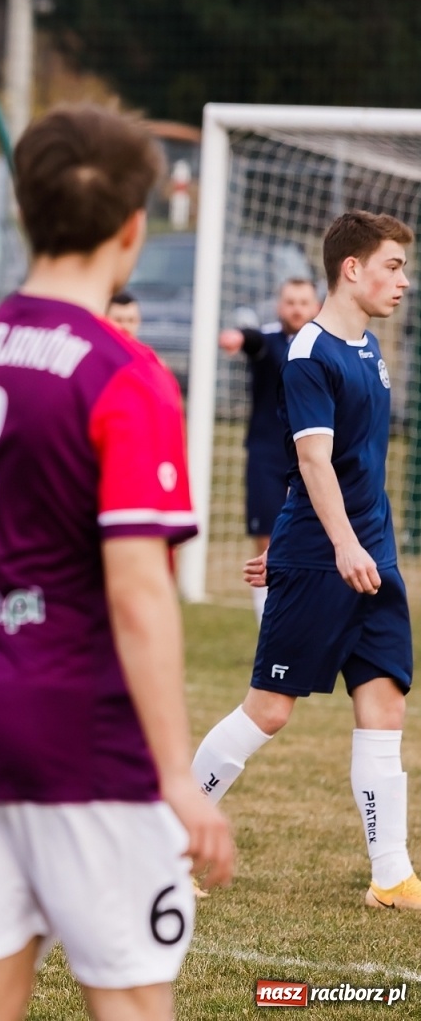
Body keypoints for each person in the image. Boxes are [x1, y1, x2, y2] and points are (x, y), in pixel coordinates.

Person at [0, 106, 234, 1021]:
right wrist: (175, 774)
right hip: (75, 736)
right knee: (130, 998)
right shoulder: (123, 374)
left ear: (26, 213)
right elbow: (138, 593)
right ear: (134, 228)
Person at [193, 210, 421, 912]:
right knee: (270, 710)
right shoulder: (308, 354)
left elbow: (350, 469)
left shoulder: (369, 349)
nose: (404, 282)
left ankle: (391, 875)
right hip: (334, 557)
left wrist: (347, 547)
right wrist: (323, 549)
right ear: (351, 269)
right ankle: (166, 832)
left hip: (368, 558)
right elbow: (313, 461)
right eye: (392, 266)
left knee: (384, 705)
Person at [217, 278, 321, 621]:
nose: (296, 308)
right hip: (266, 457)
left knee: (308, 540)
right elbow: (252, 340)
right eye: (290, 302)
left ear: (316, 306)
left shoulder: (325, 347)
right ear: (279, 307)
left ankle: (303, 616)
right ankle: (268, 623)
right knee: (266, 542)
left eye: (303, 302)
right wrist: (238, 337)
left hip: (310, 459)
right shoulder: (270, 342)